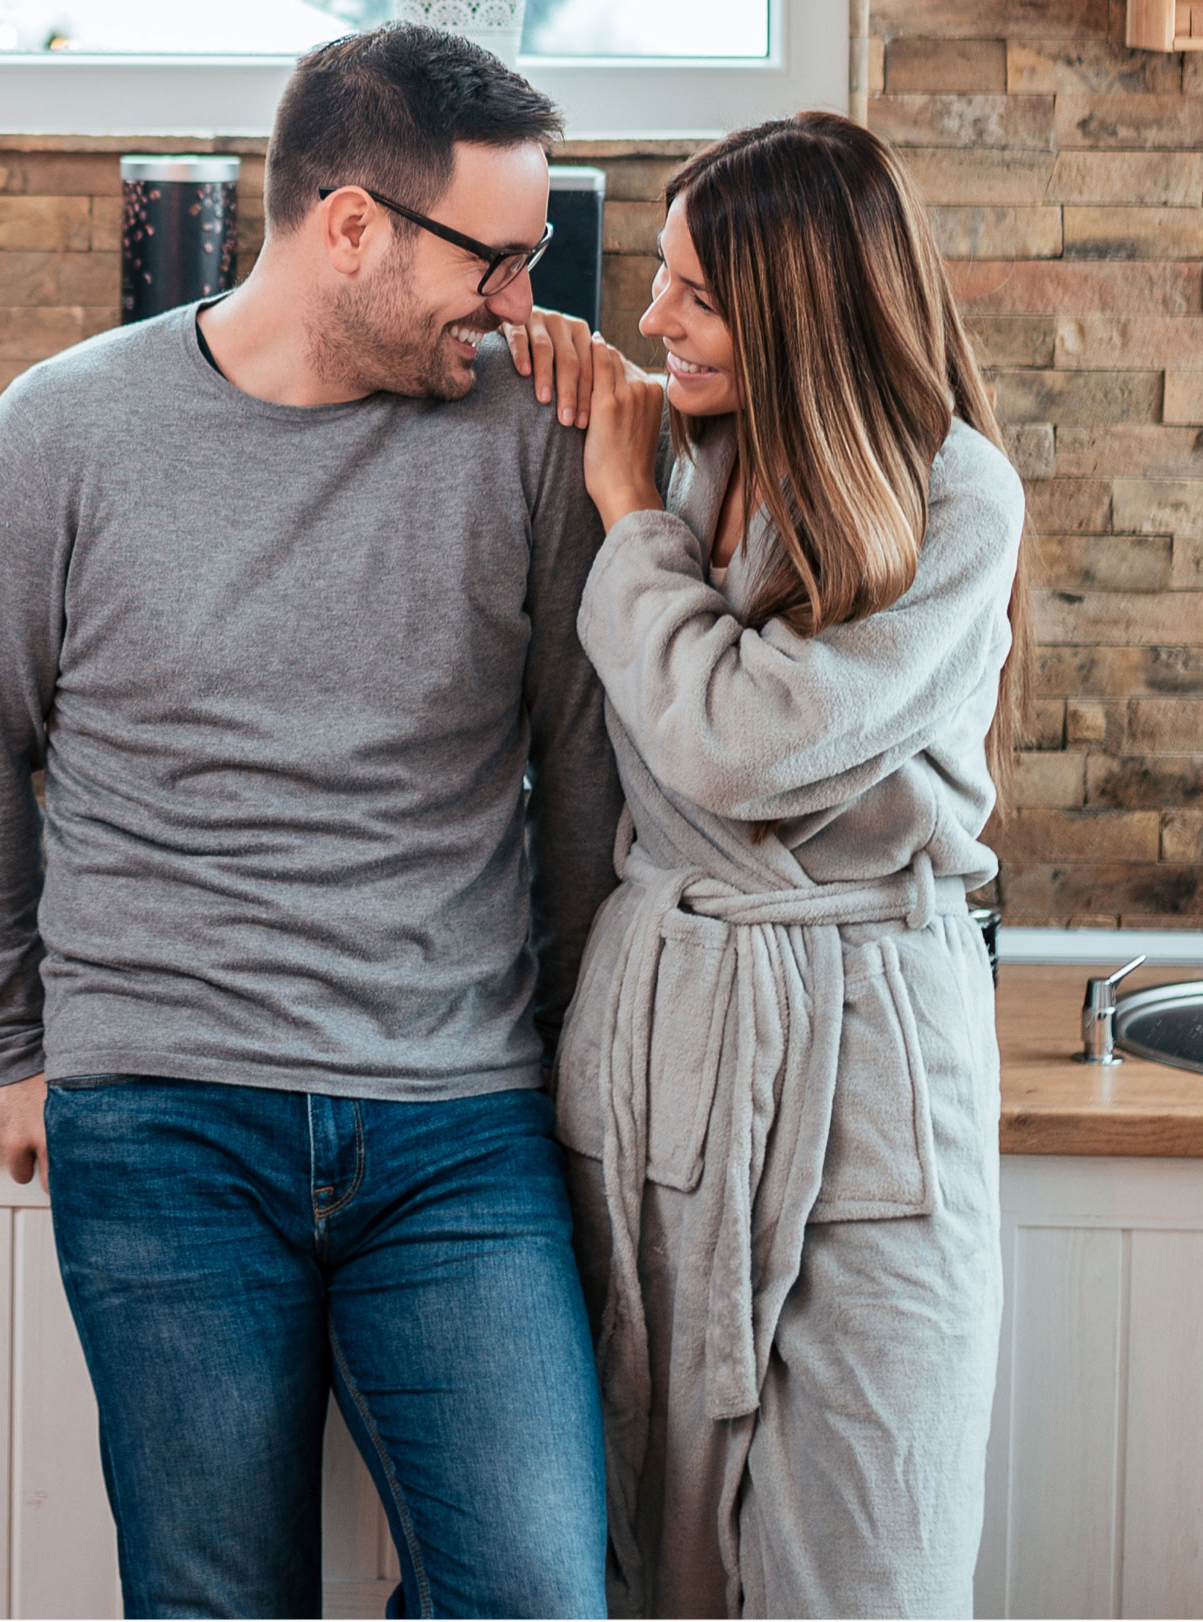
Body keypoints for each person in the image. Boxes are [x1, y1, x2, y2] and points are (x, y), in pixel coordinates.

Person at [0, 24, 622, 1617]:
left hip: (455, 1127)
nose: (524, 300)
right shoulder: (57, 438)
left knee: (535, 1591)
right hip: (161, 1116)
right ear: (352, 225)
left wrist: (561, 1048)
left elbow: (580, 775)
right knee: (213, 1598)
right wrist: (10, 1048)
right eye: (498, 261)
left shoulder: (531, 438)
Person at [554, 111, 1025, 1617]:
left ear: (803, 299)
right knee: (659, 1561)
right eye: (660, 282)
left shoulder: (957, 499)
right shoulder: (696, 459)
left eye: (695, 291)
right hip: (666, 1043)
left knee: (869, 1562)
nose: (653, 318)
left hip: (870, 1051)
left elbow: (743, 743)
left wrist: (624, 520)